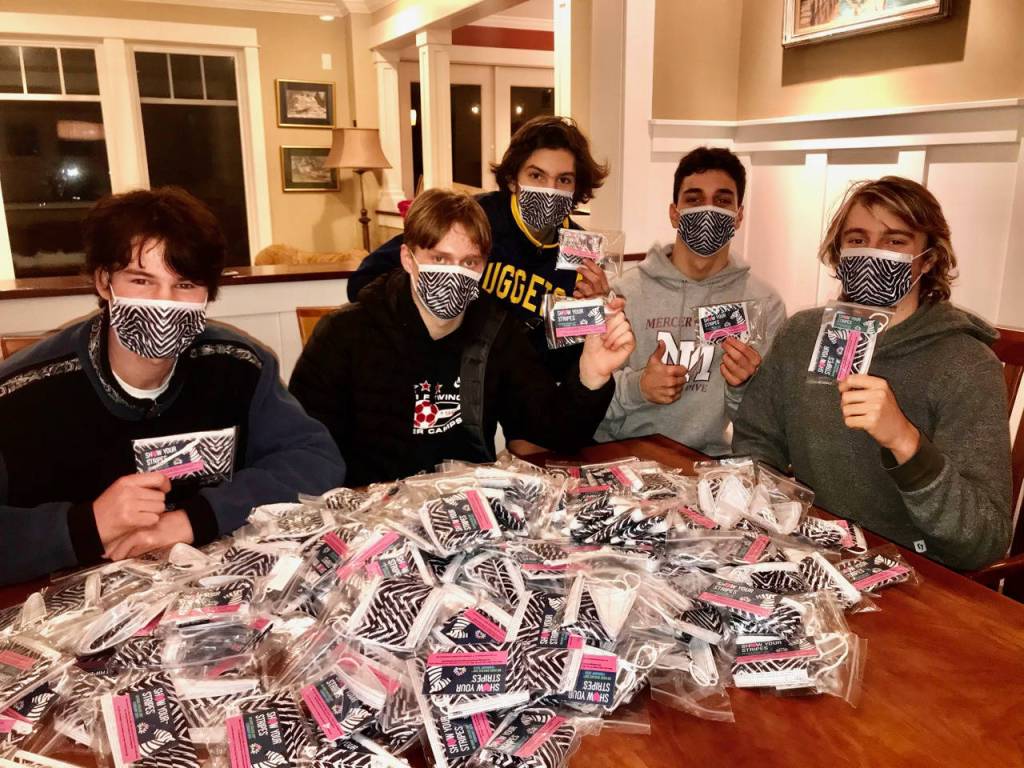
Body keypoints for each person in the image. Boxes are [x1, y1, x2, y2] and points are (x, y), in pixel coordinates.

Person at [0, 187, 346, 585]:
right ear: (103, 282)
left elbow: (315, 459)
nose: (163, 303)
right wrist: (85, 525)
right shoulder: (20, 395)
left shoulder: (239, 365)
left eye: (184, 285)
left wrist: (193, 519)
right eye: (142, 280)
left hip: (211, 593)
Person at [733, 176, 1011, 571]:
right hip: (808, 556)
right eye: (858, 239)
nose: (873, 254)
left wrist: (906, 442)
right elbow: (756, 442)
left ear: (929, 258)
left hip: (916, 572)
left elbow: (985, 540)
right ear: (838, 251)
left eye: (895, 241)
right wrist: (772, 519)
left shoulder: (965, 364)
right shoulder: (801, 335)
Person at [289, 188, 635, 487]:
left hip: (468, 508)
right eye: (439, 258)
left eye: (469, 262)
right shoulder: (343, 335)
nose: (454, 273)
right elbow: (307, 452)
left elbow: (552, 431)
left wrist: (591, 374)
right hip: (371, 515)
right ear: (409, 259)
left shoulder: (497, 331)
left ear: (484, 267)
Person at [347, 115, 610, 380]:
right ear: (512, 180)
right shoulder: (472, 219)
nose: (550, 190)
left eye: (564, 180)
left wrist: (592, 313)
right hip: (451, 378)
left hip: (524, 393)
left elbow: (563, 361)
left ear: (577, 189)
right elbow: (363, 281)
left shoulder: (582, 249)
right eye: (536, 175)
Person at [595, 147, 786, 456]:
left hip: (705, 464)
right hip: (620, 456)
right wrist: (639, 387)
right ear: (674, 213)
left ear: (738, 216)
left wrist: (742, 387)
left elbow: (764, 426)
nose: (708, 211)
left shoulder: (764, 303)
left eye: (723, 201)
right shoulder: (623, 294)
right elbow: (588, 401)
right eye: (694, 199)